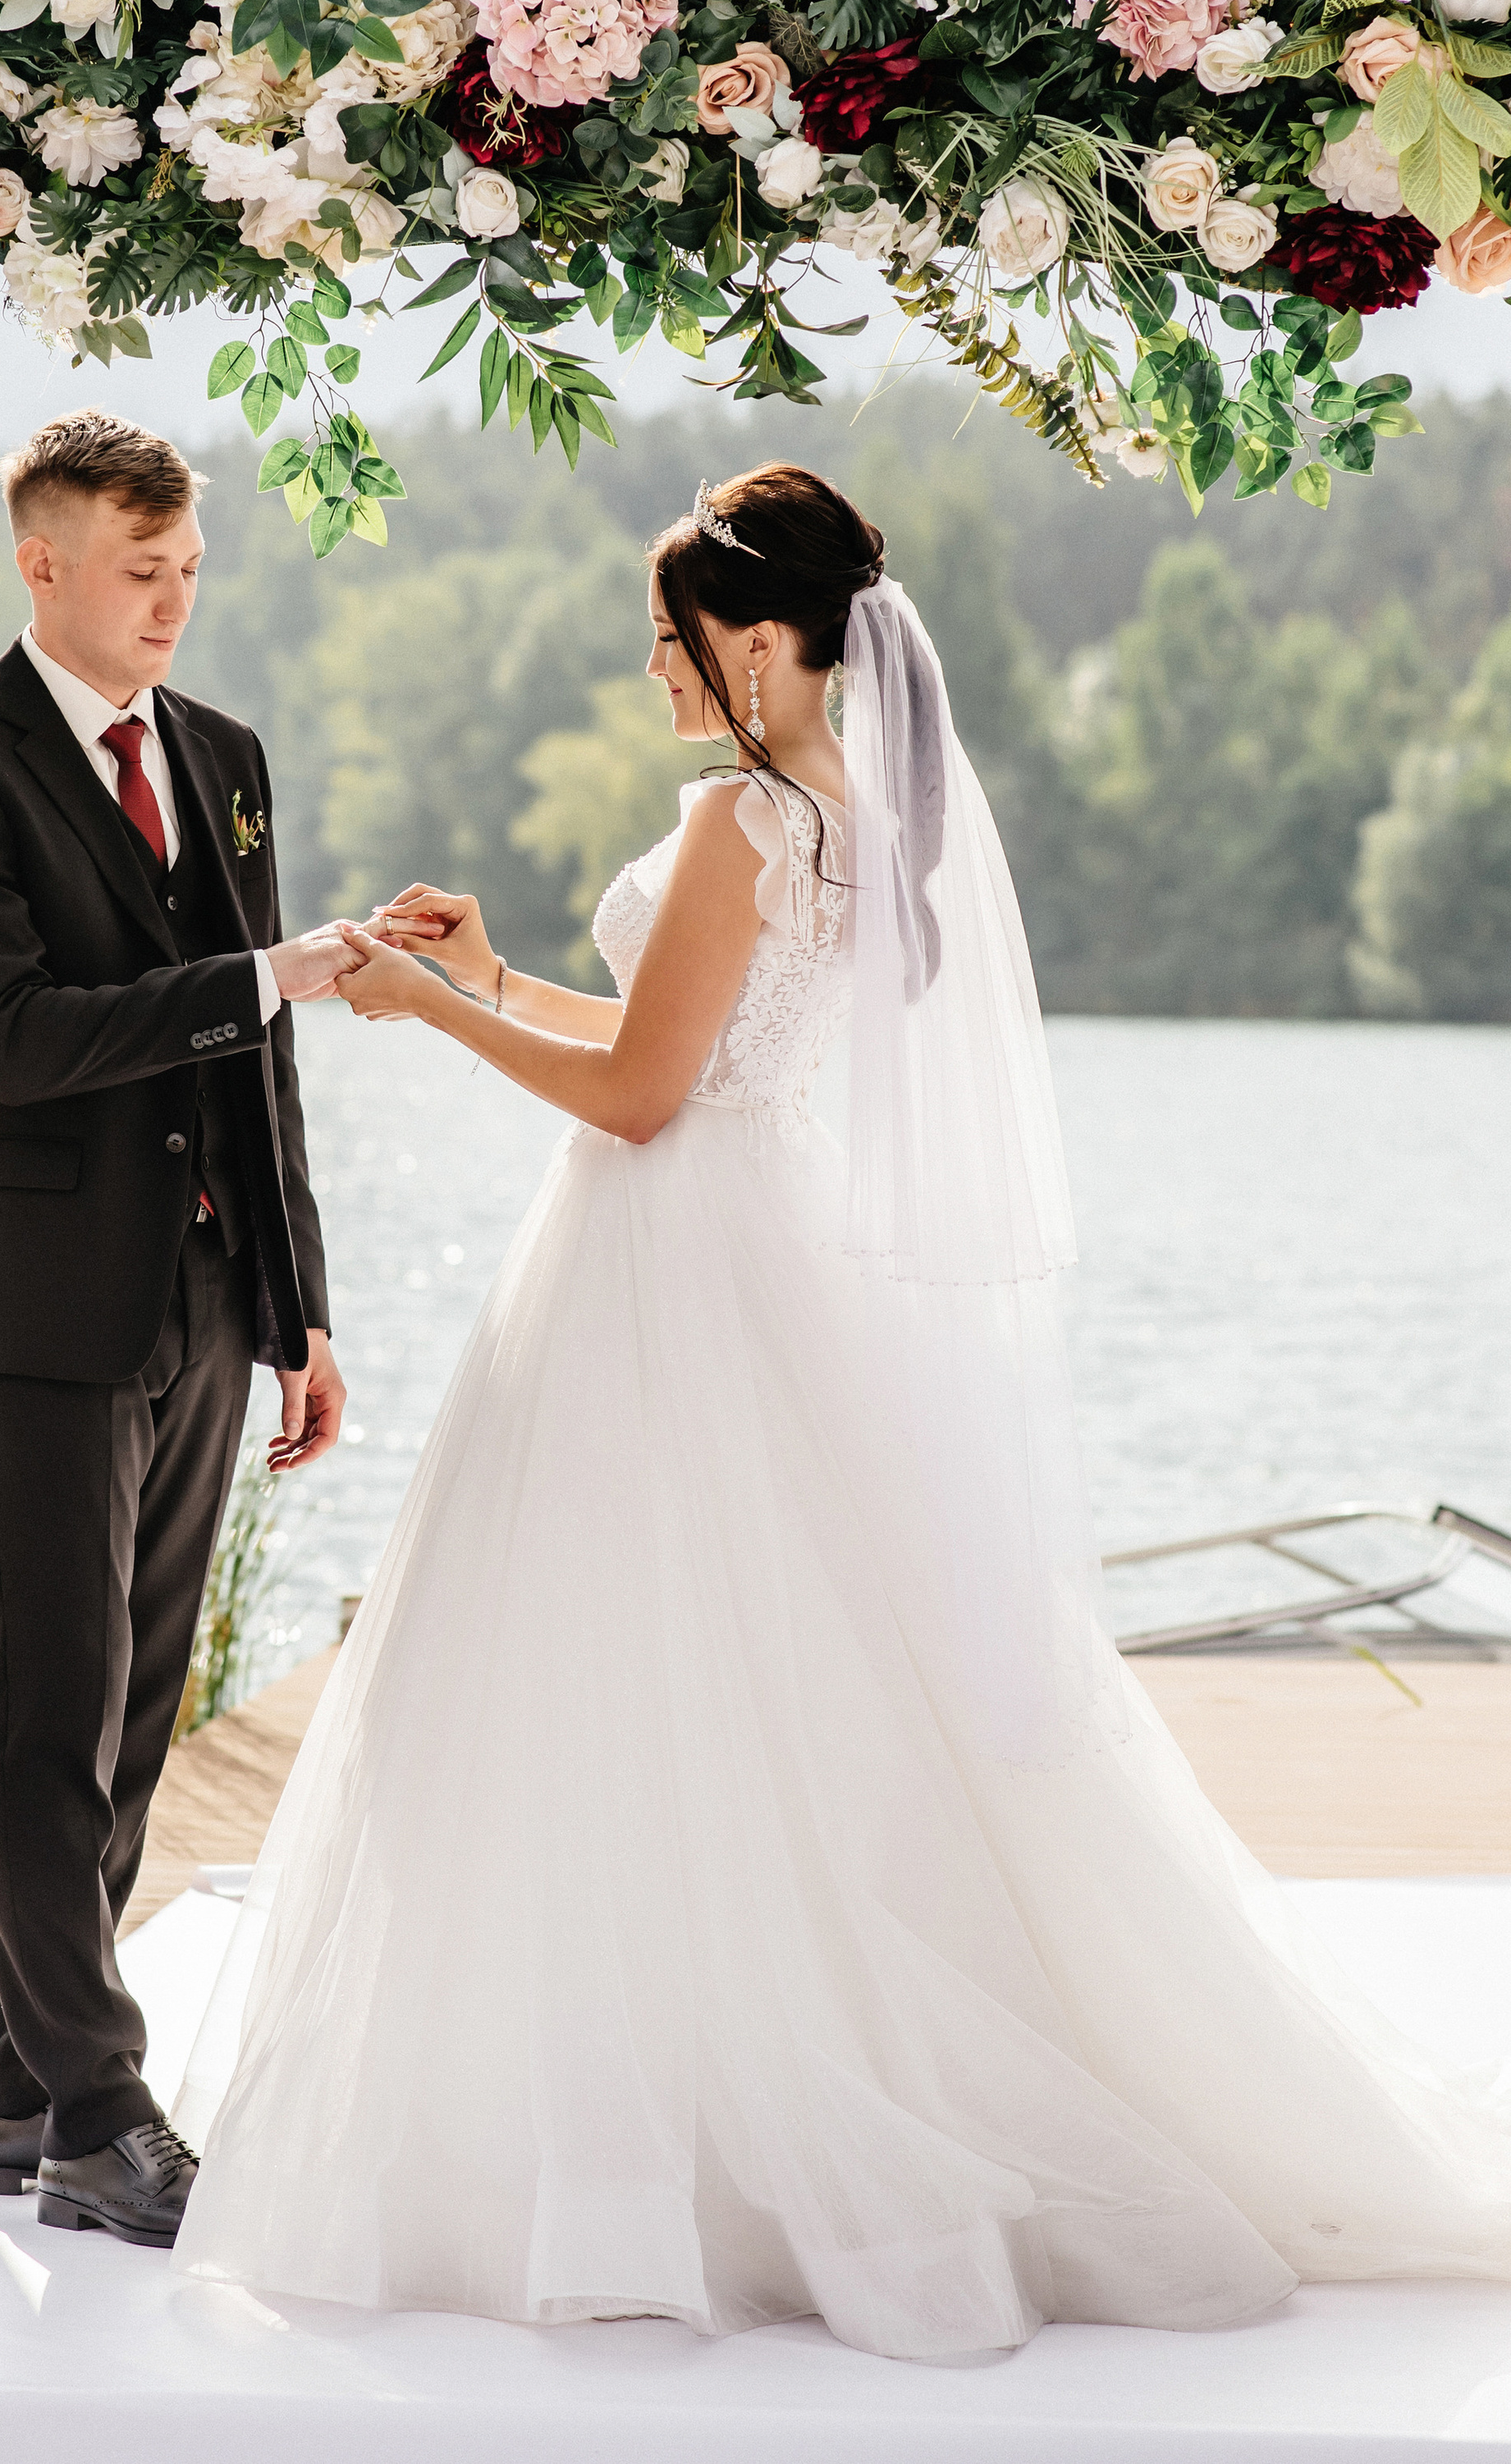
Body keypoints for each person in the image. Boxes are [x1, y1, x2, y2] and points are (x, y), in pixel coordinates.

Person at [170, 460, 1511, 2360]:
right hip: (752, 1232)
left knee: (635, 1682)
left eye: (667, 637)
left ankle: (680, 2147)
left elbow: (642, 1101)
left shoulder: (745, 818)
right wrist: (491, 970)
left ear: (751, 643)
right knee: (763, 1684)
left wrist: (421, 1009)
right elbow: (694, 1049)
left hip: (663, 1264)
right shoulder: (842, 815)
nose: (650, 667)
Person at [0, 410, 358, 2249]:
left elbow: (259, 1070)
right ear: (44, 564)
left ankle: (10, 2090)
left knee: (136, 1717)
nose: (172, 603)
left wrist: (298, 1308)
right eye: (141, 572)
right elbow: (13, 1042)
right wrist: (256, 977)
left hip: (210, 1298)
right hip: (33, 1301)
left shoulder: (221, 757)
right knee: (47, 1710)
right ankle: (99, 2107)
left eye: (188, 572)